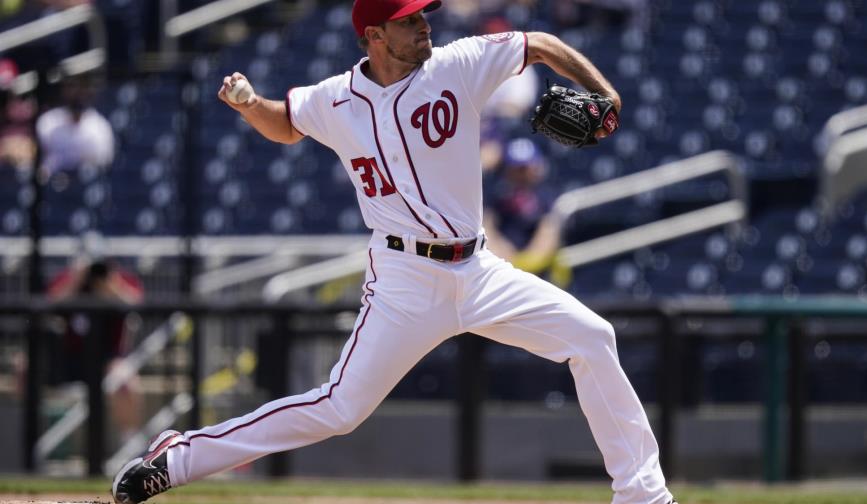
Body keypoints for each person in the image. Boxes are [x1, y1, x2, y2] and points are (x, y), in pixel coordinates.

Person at [112, 1, 676, 503]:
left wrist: (606, 93)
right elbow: (285, 125)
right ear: (375, 36)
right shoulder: (337, 98)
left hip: (478, 271)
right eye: (407, 20)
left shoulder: (459, 63)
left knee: (592, 338)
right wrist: (250, 103)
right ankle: (178, 458)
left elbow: (541, 45)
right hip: (404, 279)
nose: (423, 24)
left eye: (422, 14)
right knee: (339, 409)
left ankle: (644, 496)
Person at [47, 254, 145, 442]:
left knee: (127, 382)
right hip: (68, 359)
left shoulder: (116, 280)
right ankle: (25, 440)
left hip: (108, 360)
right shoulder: (69, 280)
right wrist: (77, 279)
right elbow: (51, 302)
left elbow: (136, 303)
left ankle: (130, 445)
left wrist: (111, 284)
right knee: (24, 367)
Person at [483, 137, 565, 279]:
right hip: (501, 268)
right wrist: (506, 260)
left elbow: (548, 234)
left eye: (525, 168)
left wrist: (527, 263)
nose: (521, 174)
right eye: (516, 169)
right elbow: (487, 228)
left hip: (538, 271)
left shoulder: (547, 195)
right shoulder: (496, 194)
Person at [35, 72, 114, 176]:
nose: (76, 92)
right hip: (54, 182)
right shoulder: (48, 121)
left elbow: (105, 160)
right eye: (71, 86)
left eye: (81, 87)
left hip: (86, 183)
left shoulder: (100, 126)